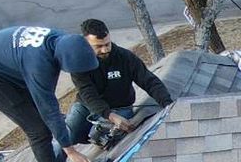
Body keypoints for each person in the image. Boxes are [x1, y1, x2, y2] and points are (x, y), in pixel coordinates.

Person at [0, 23, 112, 162]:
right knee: (38, 130)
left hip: (9, 66)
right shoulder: (39, 65)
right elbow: (48, 108)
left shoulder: (66, 42)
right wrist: (71, 151)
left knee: (50, 119)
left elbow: (49, 104)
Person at [62, 19, 173, 149]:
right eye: (98, 46)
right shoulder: (78, 62)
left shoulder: (125, 57)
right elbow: (88, 93)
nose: (104, 50)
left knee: (107, 138)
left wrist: (168, 104)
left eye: (107, 44)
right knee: (66, 136)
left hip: (121, 108)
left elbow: (149, 81)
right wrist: (110, 116)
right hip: (87, 106)